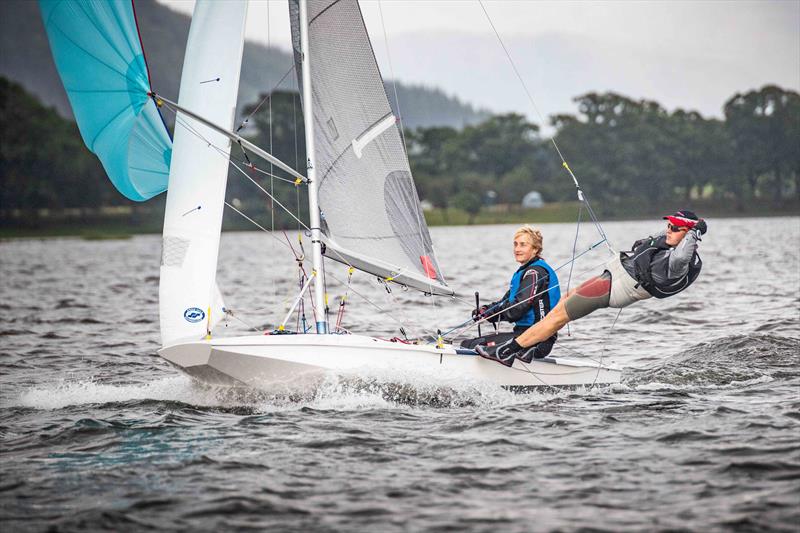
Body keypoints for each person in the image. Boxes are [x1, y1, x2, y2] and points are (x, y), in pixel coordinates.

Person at [477, 210, 707, 366]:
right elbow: (661, 239)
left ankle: (506, 352)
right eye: (669, 225)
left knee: (557, 317)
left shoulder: (680, 261)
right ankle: (529, 345)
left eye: (676, 228)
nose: (669, 230)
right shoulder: (670, 241)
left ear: (689, 236)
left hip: (619, 287)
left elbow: (683, 249)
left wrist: (696, 230)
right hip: (615, 274)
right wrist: (677, 229)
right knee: (563, 301)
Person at [462, 225, 560, 366]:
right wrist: (485, 311)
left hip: (537, 340)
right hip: (523, 336)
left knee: (474, 344)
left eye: (523, 245)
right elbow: (506, 302)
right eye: (515, 244)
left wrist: (494, 313)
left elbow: (517, 309)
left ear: (535, 249)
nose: (517, 249)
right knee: (469, 343)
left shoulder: (535, 273)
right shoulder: (525, 272)